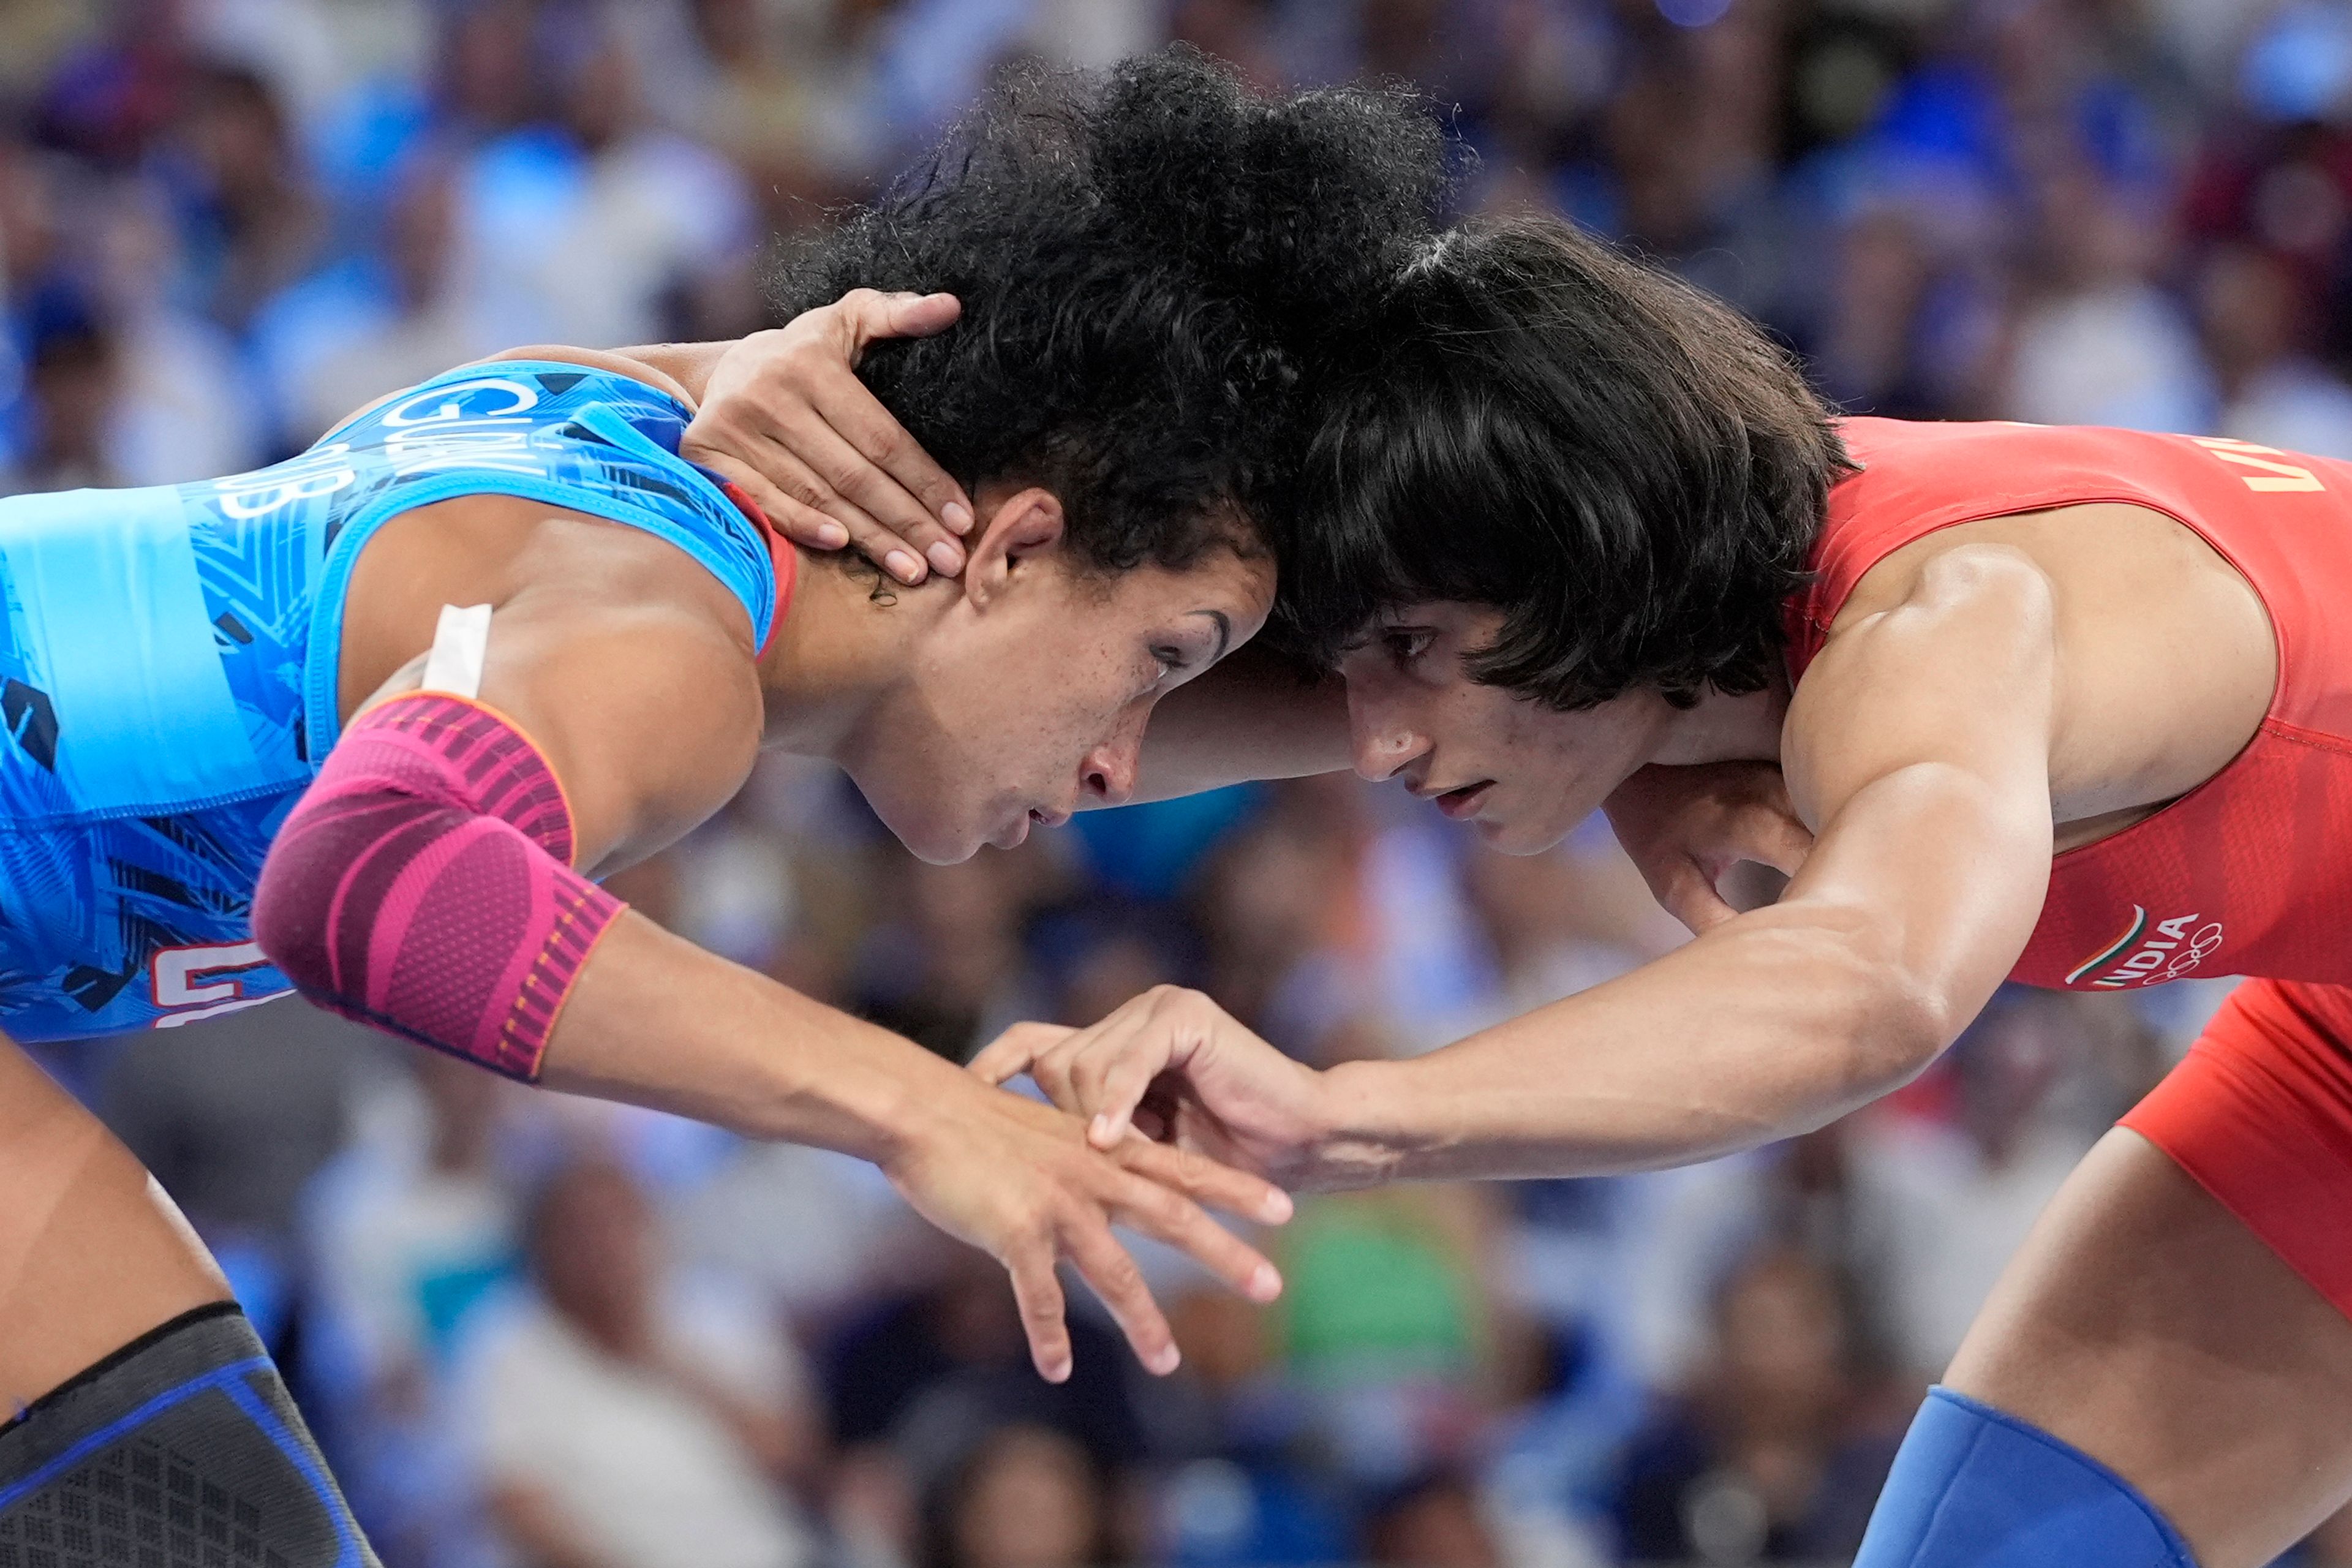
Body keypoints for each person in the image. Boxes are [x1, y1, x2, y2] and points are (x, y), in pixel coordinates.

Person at [0, 51, 1447, 1557]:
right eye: (1160, 665)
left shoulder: (647, 411)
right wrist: (918, 1106)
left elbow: (1336, 692)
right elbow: (364, 879)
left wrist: (1581, 704)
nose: (1124, 765)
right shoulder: (671, 644)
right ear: (1011, 549)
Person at [906, 209, 2352, 1567]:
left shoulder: (1950, 621)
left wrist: (1354, 1112)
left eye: (1410, 649)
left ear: (1591, 567)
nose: (1372, 738)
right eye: (1354, 664)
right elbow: (1017, 680)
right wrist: (729, 436)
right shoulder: (1648, 598)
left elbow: (1878, 983)